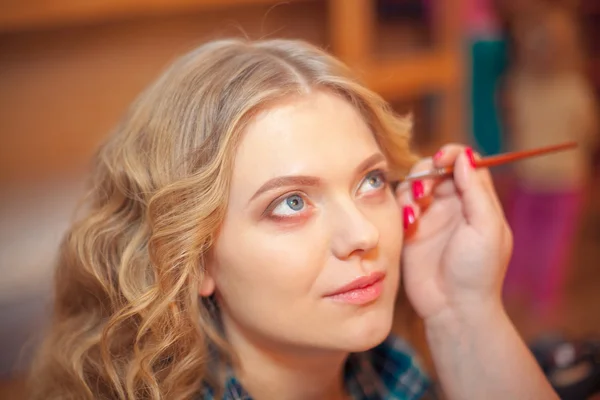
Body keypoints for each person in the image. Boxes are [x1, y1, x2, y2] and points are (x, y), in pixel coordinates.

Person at [29, 38, 558, 400]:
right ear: (194, 257)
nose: (364, 234)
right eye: (291, 203)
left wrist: (464, 311)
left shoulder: (388, 371)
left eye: (370, 181)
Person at [501, 0, 598, 333]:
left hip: (529, 177)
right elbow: (587, 131)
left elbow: (513, 124)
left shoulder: (517, 85)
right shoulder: (577, 90)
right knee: (554, 242)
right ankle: (545, 299)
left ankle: (512, 289)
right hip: (566, 181)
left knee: (521, 235)